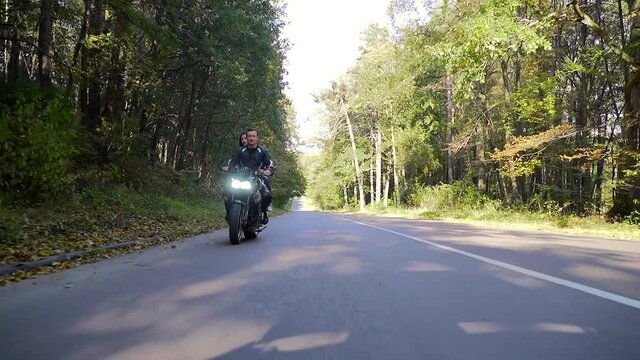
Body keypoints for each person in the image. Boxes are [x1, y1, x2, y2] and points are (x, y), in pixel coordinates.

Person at [228, 128, 274, 224]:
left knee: (266, 194)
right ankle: (230, 213)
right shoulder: (240, 151)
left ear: (257, 138)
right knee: (227, 190)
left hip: (257, 177)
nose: (251, 138)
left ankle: (264, 212)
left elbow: (269, 163)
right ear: (247, 137)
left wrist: (268, 170)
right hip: (241, 178)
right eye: (249, 136)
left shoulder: (263, 151)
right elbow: (233, 162)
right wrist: (230, 168)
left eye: (253, 136)